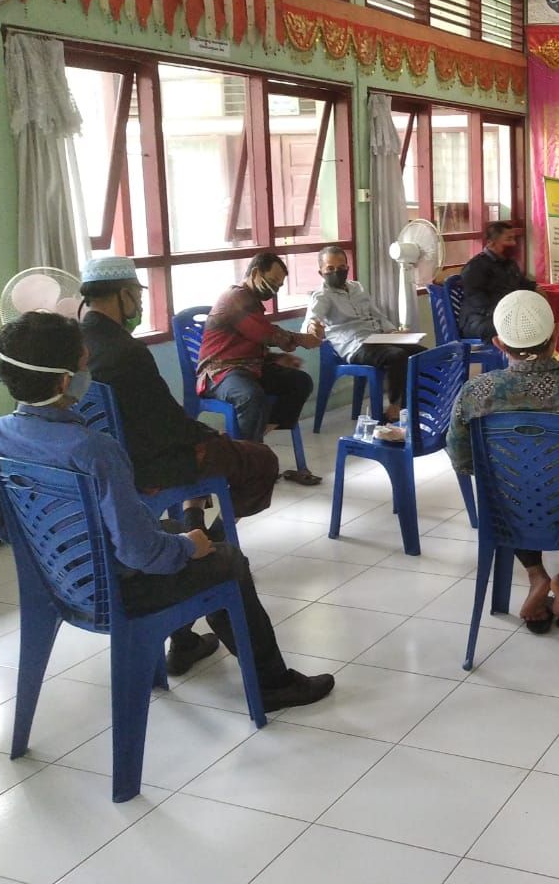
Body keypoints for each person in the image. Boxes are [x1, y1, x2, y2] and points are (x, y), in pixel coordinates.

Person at [0, 311, 334, 711]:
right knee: (226, 560)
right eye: (82, 365)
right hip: (115, 591)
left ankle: (183, 642)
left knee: (172, 531)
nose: (86, 373)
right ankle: (272, 685)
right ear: (64, 380)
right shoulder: (94, 450)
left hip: (57, 582)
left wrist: (67, 549)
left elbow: (4, 526)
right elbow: (140, 554)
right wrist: (188, 548)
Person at [79, 256, 281, 674]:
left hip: (122, 461)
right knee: (258, 459)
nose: (137, 303)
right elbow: (169, 424)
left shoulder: (80, 343)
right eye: (136, 295)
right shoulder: (126, 350)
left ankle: (195, 527)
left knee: (210, 459)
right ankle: (212, 538)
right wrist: (207, 437)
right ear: (124, 294)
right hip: (152, 465)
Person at [447, 290, 559, 632]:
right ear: (557, 334)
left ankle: (536, 575)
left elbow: (461, 460)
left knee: (509, 488)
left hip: (507, 514)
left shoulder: (475, 393)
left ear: (500, 344)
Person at [197, 252, 323, 484]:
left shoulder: (252, 303)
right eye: (272, 281)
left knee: (300, 381)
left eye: (279, 285)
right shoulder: (234, 298)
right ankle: (245, 467)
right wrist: (303, 340)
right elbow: (264, 333)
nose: (274, 289)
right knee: (252, 397)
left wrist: (276, 359)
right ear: (255, 273)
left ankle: (253, 444)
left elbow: (254, 345)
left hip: (249, 369)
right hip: (220, 372)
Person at [302, 245, 423, 423]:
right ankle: (394, 408)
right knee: (397, 356)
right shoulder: (322, 296)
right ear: (321, 272)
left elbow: (377, 314)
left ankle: (413, 405)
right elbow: (310, 321)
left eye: (341, 267)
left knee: (421, 353)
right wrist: (312, 329)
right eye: (330, 268)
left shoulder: (357, 287)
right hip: (355, 345)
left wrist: (393, 331)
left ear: (347, 268)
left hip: (378, 338)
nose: (337, 271)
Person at [459, 222, 535, 341]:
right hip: (479, 319)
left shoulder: (510, 264)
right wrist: (506, 314)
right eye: (508, 239)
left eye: (514, 239)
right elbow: (477, 300)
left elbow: (522, 283)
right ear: (491, 243)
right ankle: (515, 359)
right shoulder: (476, 267)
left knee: (537, 322)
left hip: (506, 315)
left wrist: (536, 289)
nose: (514, 243)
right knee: (516, 328)